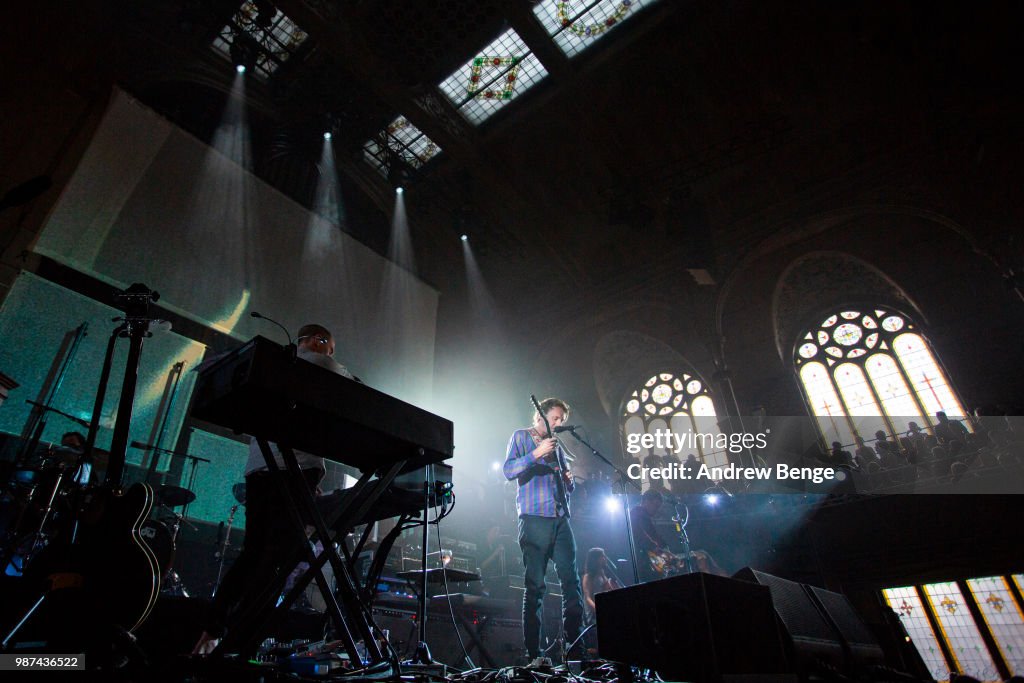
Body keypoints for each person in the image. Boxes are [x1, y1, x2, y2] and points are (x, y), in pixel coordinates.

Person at [192, 323, 356, 656]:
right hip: (293, 470)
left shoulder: (275, 368)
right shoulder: (317, 362)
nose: (324, 349)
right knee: (279, 559)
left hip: (259, 469)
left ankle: (212, 631)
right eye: (326, 344)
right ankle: (242, 640)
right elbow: (351, 388)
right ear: (316, 343)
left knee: (254, 553)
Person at [502, 397, 583, 663]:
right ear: (541, 414)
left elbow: (565, 487)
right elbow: (508, 470)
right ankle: (533, 654)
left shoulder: (558, 448)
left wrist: (568, 482)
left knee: (571, 583)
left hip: (560, 519)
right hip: (534, 517)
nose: (559, 424)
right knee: (535, 586)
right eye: (556, 418)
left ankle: (575, 649)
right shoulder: (521, 436)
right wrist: (536, 454)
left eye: (562, 421)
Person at [630, 489, 669, 582]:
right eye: (655, 505)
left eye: (658, 507)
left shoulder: (645, 517)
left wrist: (664, 547)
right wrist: (656, 548)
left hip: (647, 559)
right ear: (647, 501)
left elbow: (654, 535)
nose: (657, 509)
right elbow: (639, 533)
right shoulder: (637, 513)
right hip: (642, 561)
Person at [581, 547, 622, 624]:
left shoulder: (602, 573)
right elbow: (588, 598)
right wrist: (598, 610)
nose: (605, 558)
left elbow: (606, 589)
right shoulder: (588, 576)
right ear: (595, 559)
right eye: (602, 556)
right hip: (593, 615)